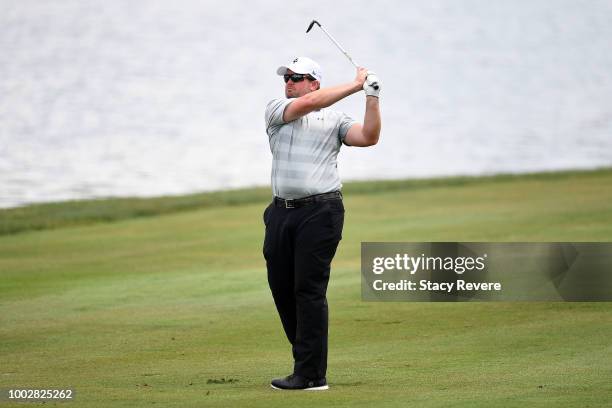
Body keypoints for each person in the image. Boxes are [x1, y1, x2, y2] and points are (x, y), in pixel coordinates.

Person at [263, 56, 381, 390]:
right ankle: (306, 359)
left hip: (321, 211)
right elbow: (309, 103)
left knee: (308, 289)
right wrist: (356, 84)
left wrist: (371, 97)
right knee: (281, 288)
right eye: (287, 77)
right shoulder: (276, 111)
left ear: (314, 82)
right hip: (280, 212)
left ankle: (311, 374)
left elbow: (369, 137)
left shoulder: (335, 119)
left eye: (297, 78)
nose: (289, 82)